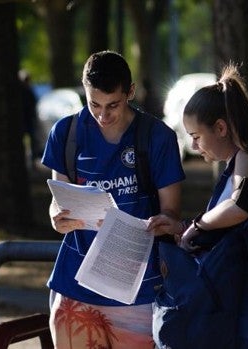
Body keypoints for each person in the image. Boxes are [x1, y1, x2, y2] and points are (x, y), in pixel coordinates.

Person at [41, 50, 185, 348]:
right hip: (76, 284)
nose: (103, 116)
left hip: (138, 291)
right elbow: (60, 198)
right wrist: (58, 218)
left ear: (130, 92)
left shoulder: (157, 137)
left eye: (113, 105)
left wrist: (166, 223)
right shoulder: (65, 132)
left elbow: (171, 212)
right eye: (94, 104)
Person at [149, 64, 248, 348]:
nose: (194, 147)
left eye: (196, 137)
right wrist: (184, 228)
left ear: (220, 128)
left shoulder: (247, 157)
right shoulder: (243, 160)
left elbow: (240, 206)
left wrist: (196, 225)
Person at [19, 69, 40, 169]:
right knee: (30, 141)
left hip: (27, 120)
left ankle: (32, 162)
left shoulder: (27, 91)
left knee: (32, 141)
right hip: (25, 120)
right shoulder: (26, 91)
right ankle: (30, 162)